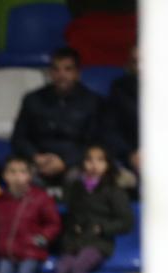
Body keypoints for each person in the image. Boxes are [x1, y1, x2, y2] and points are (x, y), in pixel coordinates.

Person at [10, 48, 103, 189]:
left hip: (75, 164)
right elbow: (19, 138)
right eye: (56, 69)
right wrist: (36, 157)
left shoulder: (93, 102)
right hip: (38, 162)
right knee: (21, 177)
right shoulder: (32, 99)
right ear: (50, 73)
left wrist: (65, 162)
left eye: (68, 69)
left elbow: (94, 142)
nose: (61, 75)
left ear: (77, 73)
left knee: (81, 180)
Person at [54, 144, 131, 273]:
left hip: (98, 243)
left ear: (108, 164)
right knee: (62, 269)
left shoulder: (114, 190)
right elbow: (70, 214)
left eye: (100, 160)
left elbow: (126, 222)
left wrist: (102, 228)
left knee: (78, 268)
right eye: (89, 160)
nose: (94, 165)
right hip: (74, 242)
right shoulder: (75, 188)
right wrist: (72, 228)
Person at [0, 155, 61, 273]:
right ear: (4, 175)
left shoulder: (41, 198)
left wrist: (42, 238)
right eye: (12, 172)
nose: (17, 176)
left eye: (22, 172)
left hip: (31, 252)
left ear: (29, 176)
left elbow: (53, 223)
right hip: (5, 253)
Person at [101, 47, 138, 184]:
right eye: (135, 62)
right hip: (127, 158)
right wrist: (130, 154)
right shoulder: (119, 88)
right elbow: (110, 129)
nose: (141, 67)